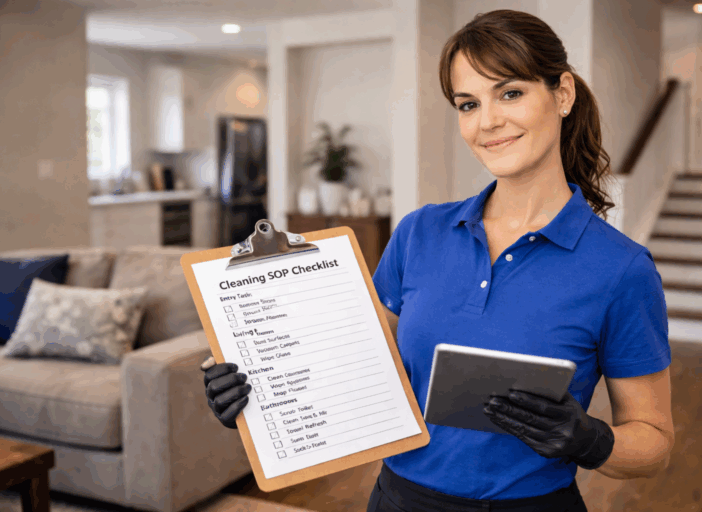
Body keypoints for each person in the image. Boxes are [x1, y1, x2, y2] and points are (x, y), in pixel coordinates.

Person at [200, 9, 675, 512]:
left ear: (562, 94)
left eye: (510, 93)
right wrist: (260, 395)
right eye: (468, 104)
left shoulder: (621, 269)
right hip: (398, 499)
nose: (487, 122)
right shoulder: (419, 233)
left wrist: (590, 440)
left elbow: (654, 442)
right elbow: (355, 372)